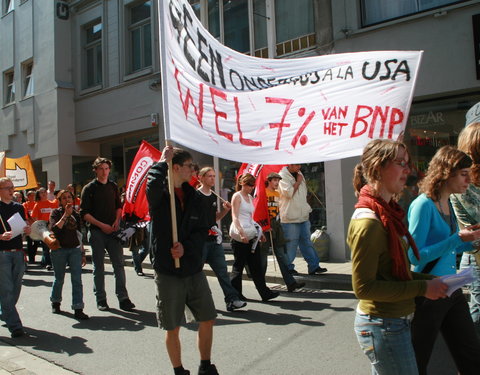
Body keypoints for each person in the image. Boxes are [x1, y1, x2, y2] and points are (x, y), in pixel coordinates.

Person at [347, 139, 448, 375]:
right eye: (400, 163)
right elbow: (364, 288)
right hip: (383, 324)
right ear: (377, 168)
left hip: (392, 321)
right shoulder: (369, 222)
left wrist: (429, 280)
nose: (408, 170)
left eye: (408, 163)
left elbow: (393, 273)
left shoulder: (387, 214)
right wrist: (423, 287)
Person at [408, 145, 480, 375]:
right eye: (463, 174)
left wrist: (473, 240)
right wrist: (457, 237)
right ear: (446, 172)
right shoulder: (423, 204)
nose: (468, 179)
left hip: (452, 287)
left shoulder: (447, 202)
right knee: (419, 358)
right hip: (429, 290)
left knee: (470, 354)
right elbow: (415, 255)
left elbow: (452, 246)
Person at [146, 146, 218, 375]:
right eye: (190, 166)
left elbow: (203, 230)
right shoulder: (161, 195)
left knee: (207, 318)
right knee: (172, 326)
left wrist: (186, 247)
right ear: (175, 168)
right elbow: (151, 188)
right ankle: (179, 370)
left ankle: (205, 365)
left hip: (193, 268)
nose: (193, 170)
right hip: (168, 271)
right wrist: (160, 162)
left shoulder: (195, 197)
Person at [80, 157, 135, 312]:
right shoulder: (89, 188)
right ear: (96, 170)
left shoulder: (112, 186)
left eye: (106, 168)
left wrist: (117, 220)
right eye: (101, 169)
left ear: (109, 170)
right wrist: (101, 225)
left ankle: (123, 298)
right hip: (97, 232)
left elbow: (119, 207)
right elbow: (84, 213)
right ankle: (101, 299)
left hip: (113, 232)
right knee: (99, 267)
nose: (104, 172)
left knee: (119, 265)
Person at [197, 166, 247, 311]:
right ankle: (197, 300)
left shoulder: (213, 195)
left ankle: (231, 299)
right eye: (209, 176)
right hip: (201, 241)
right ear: (201, 178)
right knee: (196, 273)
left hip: (214, 241)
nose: (213, 179)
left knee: (223, 272)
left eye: (214, 176)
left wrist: (225, 210)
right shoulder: (196, 196)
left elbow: (215, 218)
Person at [451, 121, 480, 339]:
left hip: (472, 255)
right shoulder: (462, 186)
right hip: (475, 256)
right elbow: (471, 228)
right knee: (477, 313)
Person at [230, 173, 279, 302]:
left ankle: (265, 293)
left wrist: (260, 232)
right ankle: (236, 294)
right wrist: (241, 232)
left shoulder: (250, 197)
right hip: (240, 236)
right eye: (249, 184)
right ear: (242, 183)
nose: (251, 187)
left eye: (253, 185)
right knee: (238, 266)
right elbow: (235, 217)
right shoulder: (237, 196)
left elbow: (252, 219)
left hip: (251, 234)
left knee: (256, 266)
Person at [278, 164, 327, 275]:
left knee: (307, 242)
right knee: (291, 244)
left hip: (303, 215)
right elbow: (289, 193)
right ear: (290, 164)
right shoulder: (282, 176)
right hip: (290, 217)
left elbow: (303, 194)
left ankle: (314, 266)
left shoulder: (300, 174)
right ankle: (288, 268)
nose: (299, 166)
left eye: (300, 164)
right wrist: (298, 182)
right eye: (296, 164)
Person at [261, 172, 305, 292]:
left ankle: (290, 283)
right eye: (274, 180)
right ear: (269, 181)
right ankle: (261, 285)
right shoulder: (263, 193)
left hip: (276, 225)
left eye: (278, 181)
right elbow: (260, 210)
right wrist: (264, 226)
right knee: (262, 258)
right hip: (265, 225)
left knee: (281, 255)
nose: (276, 183)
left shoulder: (277, 193)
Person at [49, 190, 89, 320]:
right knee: (59, 278)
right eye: (64, 198)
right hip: (59, 250)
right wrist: (66, 215)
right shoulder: (55, 213)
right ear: (60, 201)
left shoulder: (76, 215)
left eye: (69, 197)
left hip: (74, 250)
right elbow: (55, 229)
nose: (67, 200)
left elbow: (79, 235)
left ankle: (78, 307)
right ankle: (56, 301)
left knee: (77, 279)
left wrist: (82, 253)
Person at [0, 177, 31, 338]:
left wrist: (27, 229)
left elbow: (24, 226)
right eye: (7, 188)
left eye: (12, 187)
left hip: (18, 251)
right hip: (2, 253)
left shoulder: (19, 207)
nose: (11, 190)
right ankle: (15, 326)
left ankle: (5, 311)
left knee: (16, 287)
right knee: (6, 290)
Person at [31, 187, 58, 270]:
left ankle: (47, 262)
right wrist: (39, 227)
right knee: (46, 246)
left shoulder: (52, 203)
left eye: (45, 192)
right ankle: (48, 263)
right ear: (39, 195)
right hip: (43, 227)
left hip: (51, 226)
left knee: (53, 245)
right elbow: (34, 217)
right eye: (41, 192)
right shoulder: (37, 204)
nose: (44, 194)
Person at [23, 190, 38, 263]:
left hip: (36, 226)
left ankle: (33, 255)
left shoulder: (37, 204)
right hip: (29, 225)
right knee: (29, 242)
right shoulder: (25, 205)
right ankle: (31, 258)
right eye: (31, 195)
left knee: (36, 242)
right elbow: (26, 216)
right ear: (28, 197)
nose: (32, 197)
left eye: (34, 195)